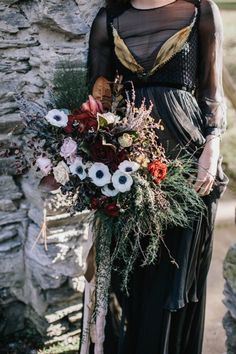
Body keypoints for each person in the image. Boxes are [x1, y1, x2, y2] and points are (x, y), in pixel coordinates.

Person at [79, 0, 228, 353]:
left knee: (172, 281)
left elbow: (212, 88)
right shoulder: (109, 19)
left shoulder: (200, 9)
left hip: (187, 165)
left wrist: (213, 144)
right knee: (132, 282)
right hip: (127, 170)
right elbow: (96, 101)